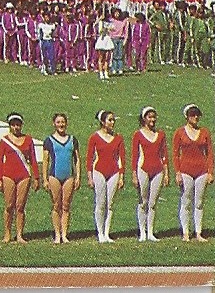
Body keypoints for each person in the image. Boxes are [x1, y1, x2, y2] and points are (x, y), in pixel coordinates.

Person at [0, 112, 40, 243]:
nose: (16, 127)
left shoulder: (28, 140)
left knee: (20, 206)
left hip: (24, 175)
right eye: (13, 125)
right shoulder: (4, 141)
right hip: (8, 175)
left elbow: (33, 159)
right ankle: (7, 233)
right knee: (9, 205)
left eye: (18, 125)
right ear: (10, 126)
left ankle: (20, 234)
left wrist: (36, 177)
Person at [173, 103, 212, 242]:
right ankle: (185, 232)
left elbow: (209, 153)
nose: (195, 117)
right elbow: (176, 154)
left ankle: (199, 232)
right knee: (186, 200)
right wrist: (177, 172)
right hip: (186, 170)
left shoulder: (205, 132)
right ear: (187, 116)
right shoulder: (180, 132)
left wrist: (210, 172)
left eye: (197, 115)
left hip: (201, 170)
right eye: (192, 114)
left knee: (199, 202)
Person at [86, 109, 126, 243]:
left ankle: (107, 233)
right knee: (100, 202)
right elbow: (90, 158)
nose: (112, 122)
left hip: (113, 172)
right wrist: (90, 176)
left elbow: (121, 158)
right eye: (110, 120)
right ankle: (100, 232)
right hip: (99, 171)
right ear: (103, 122)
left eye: (113, 120)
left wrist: (121, 176)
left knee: (110, 203)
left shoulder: (118, 138)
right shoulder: (95, 137)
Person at [41, 112, 80, 244]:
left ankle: (65, 234)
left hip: (69, 176)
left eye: (63, 122)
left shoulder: (72, 139)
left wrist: (78, 177)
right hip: (54, 176)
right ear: (54, 124)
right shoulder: (49, 140)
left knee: (66, 206)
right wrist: (45, 179)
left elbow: (77, 160)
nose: (61, 125)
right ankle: (57, 234)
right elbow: (45, 160)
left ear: (66, 123)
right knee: (56, 205)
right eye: (58, 122)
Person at [132, 106, 169, 242]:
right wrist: (134, 174)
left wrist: (166, 173)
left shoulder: (161, 135)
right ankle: (142, 231)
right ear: (144, 119)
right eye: (149, 117)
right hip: (143, 169)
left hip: (158, 170)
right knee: (143, 201)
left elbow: (164, 154)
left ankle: (151, 232)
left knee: (153, 202)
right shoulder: (138, 134)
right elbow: (135, 156)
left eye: (154, 117)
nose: (152, 119)